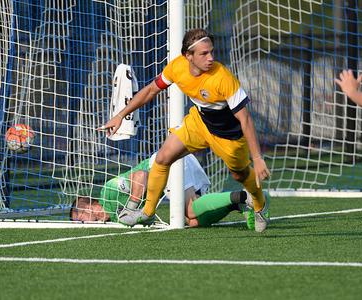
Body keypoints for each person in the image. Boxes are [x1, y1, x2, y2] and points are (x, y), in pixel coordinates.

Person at [100, 28, 271, 232]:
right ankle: (146, 212)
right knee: (163, 158)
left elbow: (246, 119)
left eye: (211, 52)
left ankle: (259, 205)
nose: (211, 58)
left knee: (239, 176)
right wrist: (120, 115)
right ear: (188, 56)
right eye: (204, 53)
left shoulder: (222, 77)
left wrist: (258, 158)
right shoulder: (177, 67)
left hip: (229, 137)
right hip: (198, 123)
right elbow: (150, 90)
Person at [70, 152, 256, 228]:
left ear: (87, 204)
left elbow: (142, 175)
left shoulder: (107, 194)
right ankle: (236, 204)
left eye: (78, 214)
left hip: (165, 164)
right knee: (191, 221)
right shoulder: (112, 216)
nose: (80, 220)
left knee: (190, 210)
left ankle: (243, 195)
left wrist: (133, 206)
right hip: (174, 164)